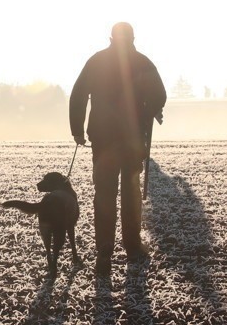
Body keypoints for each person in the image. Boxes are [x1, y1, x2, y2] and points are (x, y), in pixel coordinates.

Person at [69, 22, 166, 278]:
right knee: (131, 192)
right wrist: (144, 114)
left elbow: (78, 95)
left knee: (104, 193)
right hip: (132, 137)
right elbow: (159, 95)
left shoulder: (97, 61)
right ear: (133, 37)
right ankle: (132, 246)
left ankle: (104, 250)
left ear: (111, 37)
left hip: (102, 137)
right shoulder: (142, 62)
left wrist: (77, 129)